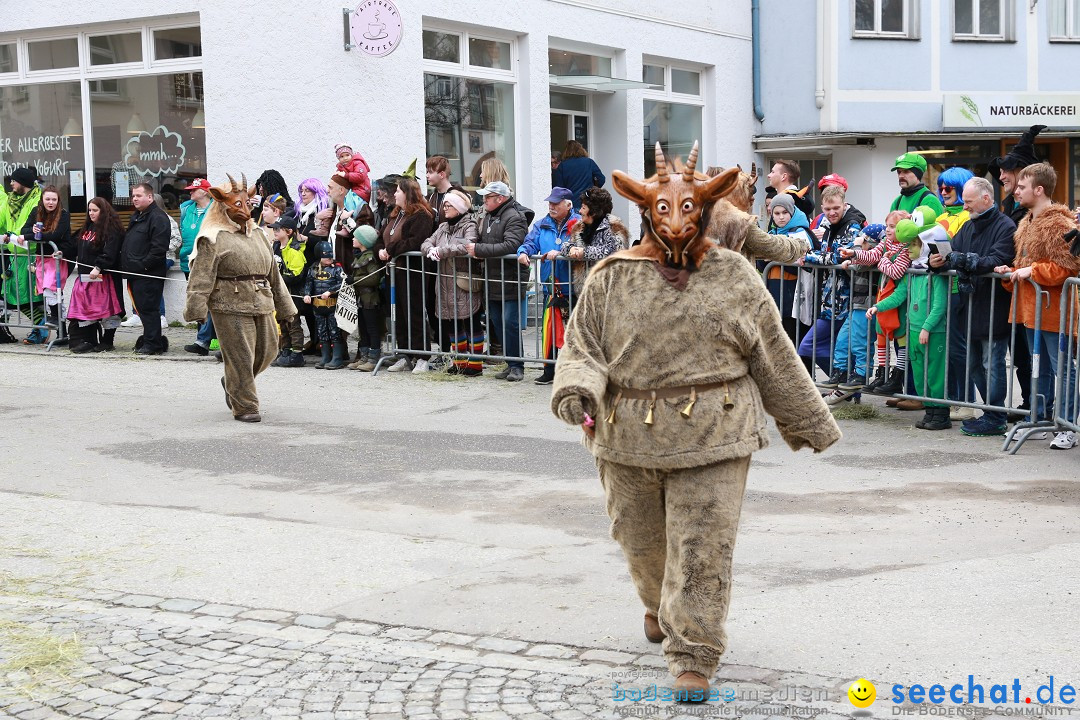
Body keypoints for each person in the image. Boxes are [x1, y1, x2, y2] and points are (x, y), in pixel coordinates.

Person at [551, 142, 841, 700]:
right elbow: (583, 346)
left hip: (716, 431)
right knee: (640, 540)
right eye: (664, 209)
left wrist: (807, 420)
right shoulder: (610, 277)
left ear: (705, 210)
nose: (678, 222)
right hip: (627, 433)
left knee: (703, 545)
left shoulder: (733, 275)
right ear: (645, 210)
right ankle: (660, 603)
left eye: (691, 209)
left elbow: (772, 352)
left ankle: (694, 652)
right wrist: (577, 390)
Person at [184, 174, 297, 422]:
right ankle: (245, 405)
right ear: (222, 205)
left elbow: (274, 274)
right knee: (241, 357)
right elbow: (201, 276)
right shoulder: (212, 237)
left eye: (246, 203)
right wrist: (196, 308)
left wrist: (286, 307)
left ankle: (233, 382)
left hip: (262, 301)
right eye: (237, 204)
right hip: (229, 303)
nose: (245, 209)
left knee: (268, 351)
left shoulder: (257, 234)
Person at [997, 163, 1080, 450]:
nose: (1015, 190)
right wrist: (1010, 273)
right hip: (1031, 310)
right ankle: (1040, 419)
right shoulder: (1025, 223)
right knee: (1038, 368)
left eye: (1022, 186)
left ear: (1039, 189)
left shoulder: (1059, 224)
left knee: (1062, 369)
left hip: (1055, 310)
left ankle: (1068, 425)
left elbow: (1069, 268)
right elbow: (1025, 266)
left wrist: (1033, 271)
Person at [929, 177, 1016, 434]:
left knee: (992, 362)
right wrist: (938, 262)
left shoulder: (1005, 226)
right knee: (975, 363)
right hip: (971, 304)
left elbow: (996, 259)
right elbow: (953, 255)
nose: (964, 207)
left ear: (986, 199)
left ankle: (996, 415)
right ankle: (990, 412)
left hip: (994, 305)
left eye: (968, 202)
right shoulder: (968, 226)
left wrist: (962, 259)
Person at [869, 211, 951, 430]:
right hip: (914, 329)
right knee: (920, 373)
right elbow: (899, 295)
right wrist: (878, 307)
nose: (907, 249)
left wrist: (927, 327)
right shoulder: (912, 272)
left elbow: (939, 305)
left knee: (934, 373)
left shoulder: (936, 275)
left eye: (912, 245)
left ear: (924, 245)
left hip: (931, 331)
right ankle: (930, 411)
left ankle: (941, 413)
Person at [989, 124, 1047, 412]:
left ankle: (1041, 409)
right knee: (1022, 356)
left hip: (1038, 298)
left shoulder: (1042, 214)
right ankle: (1030, 406)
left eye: (1006, 171)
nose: (1000, 176)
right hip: (1015, 293)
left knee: (1039, 359)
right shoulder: (1009, 206)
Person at [842, 213, 912, 399]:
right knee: (881, 335)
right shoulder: (887, 244)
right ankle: (882, 374)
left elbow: (896, 272)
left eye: (892, 227)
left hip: (898, 298)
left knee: (901, 336)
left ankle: (897, 376)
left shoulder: (905, 249)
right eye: (887, 226)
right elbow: (872, 255)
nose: (887, 230)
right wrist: (855, 253)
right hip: (884, 293)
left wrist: (883, 261)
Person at [468, 181, 531, 382]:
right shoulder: (489, 216)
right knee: (496, 322)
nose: (484, 200)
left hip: (510, 278)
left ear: (500, 198)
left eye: (488, 197)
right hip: (493, 277)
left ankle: (517, 365)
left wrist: (478, 250)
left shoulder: (514, 217)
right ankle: (510, 362)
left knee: (510, 323)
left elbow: (511, 245)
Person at [518, 187, 580, 385]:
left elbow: (581, 245)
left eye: (556, 203)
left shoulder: (579, 222)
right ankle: (549, 369)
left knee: (576, 331)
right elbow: (529, 242)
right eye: (550, 203)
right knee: (549, 330)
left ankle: (576, 372)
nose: (551, 206)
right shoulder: (541, 224)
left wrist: (560, 251)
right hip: (550, 287)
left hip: (574, 286)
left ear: (568, 204)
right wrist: (523, 252)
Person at [420, 189, 485, 375]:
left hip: (463, 280)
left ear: (459, 208)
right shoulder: (442, 227)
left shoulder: (469, 225)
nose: (445, 208)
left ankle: (475, 364)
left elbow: (467, 245)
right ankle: (459, 361)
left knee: (471, 321)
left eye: (449, 205)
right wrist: (430, 250)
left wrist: (442, 251)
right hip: (444, 282)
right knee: (452, 323)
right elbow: (426, 242)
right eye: (444, 205)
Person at [810, 185, 867, 393]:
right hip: (831, 295)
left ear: (844, 204)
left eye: (835, 208)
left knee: (816, 344)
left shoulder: (852, 225)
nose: (831, 213)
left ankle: (847, 386)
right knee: (838, 344)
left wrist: (808, 257)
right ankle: (844, 386)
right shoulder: (827, 224)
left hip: (848, 296)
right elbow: (825, 252)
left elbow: (838, 256)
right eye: (827, 209)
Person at [379, 177, 436, 373]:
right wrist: (381, 249)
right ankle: (405, 354)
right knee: (399, 315)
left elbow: (415, 241)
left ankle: (422, 356)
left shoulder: (421, 215)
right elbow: (382, 236)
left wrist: (391, 249)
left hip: (413, 271)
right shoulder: (395, 214)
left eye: (398, 191)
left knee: (414, 312)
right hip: (394, 272)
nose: (394, 194)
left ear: (407, 193)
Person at [68, 197, 124, 353]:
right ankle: (89, 340)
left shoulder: (112, 229)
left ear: (103, 211)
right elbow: (75, 246)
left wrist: (99, 266)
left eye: (95, 210)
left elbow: (110, 252)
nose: (91, 213)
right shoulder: (87, 228)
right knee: (86, 310)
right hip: (86, 277)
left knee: (108, 311)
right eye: (90, 210)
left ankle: (107, 341)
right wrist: (62, 252)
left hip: (104, 278)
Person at [120, 183, 171, 355]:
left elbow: (158, 249)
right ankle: (150, 339)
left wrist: (143, 266)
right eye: (133, 195)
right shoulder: (138, 216)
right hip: (135, 273)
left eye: (139, 195)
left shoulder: (158, 217)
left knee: (149, 309)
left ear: (150, 197)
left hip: (148, 273)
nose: (134, 198)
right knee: (142, 309)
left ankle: (153, 344)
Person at [561, 186, 629, 297]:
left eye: (583, 208)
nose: (580, 211)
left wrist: (584, 252)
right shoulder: (579, 227)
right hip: (585, 291)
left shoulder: (614, 227)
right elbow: (565, 246)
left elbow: (614, 251)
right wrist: (571, 249)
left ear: (593, 212)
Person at [1, 167, 44, 342]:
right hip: (14, 254)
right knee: (11, 295)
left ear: (23, 183)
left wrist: (13, 236)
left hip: (30, 254)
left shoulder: (37, 200)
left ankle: (42, 326)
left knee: (26, 297)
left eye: (14, 181)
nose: (11, 184)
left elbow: (29, 225)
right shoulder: (11, 200)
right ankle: (40, 325)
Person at [179, 179, 218, 356]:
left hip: (207, 262)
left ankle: (204, 341)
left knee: (209, 302)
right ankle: (205, 340)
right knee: (197, 301)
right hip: (189, 260)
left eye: (194, 190)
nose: (190, 193)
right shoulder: (187, 209)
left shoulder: (215, 210)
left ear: (204, 191)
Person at [293, 178, 329, 353]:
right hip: (304, 264)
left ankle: (321, 342)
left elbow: (324, 239)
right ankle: (314, 340)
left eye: (308, 190)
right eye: (302, 190)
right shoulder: (300, 213)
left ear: (317, 192)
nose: (303, 193)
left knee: (318, 306)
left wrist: (306, 239)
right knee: (307, 307)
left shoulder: (320, 213)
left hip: (316, 266)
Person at [269, 214, 307, 368]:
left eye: (278, 229)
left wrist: (278, 279)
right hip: (279, 293)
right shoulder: (276, 247)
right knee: (282, 322)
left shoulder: (295, 250)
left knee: (293, 323)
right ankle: (286, 349)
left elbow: (295, 275)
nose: (275, 231)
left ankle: (297, 352)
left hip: (292, 293)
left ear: (289, 232)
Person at [303, 240, 348, 370]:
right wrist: (307, 294)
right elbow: (309, 283)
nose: (329, 258)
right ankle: (325, 357)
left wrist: (330, 291)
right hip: (318, 307)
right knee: (322, 332)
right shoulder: (313, 268)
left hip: (332, 306)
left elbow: (342, 283)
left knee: (335, 332)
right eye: (326, 256)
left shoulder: (337, 268)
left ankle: (337, 358)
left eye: (330, 256)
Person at [346, 224, 385, 372]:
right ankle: (364, 356)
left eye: (356, 237)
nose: (353, 239)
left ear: (363, 241)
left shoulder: (370, 257)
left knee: (372, 328)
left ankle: (373, 358)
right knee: (362, 328)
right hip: (361, 298)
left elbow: (373, 278)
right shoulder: (360, 256)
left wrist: (354, 281)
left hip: (370, 298)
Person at [551, 141, 605, 210]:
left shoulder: (563, 165)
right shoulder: (589, 162)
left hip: (571, 204)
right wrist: (592, 190)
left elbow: (559, 188)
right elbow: (601, 179)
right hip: (587, 202)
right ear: (581, 149)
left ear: (566, 151)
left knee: (573, 221)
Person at [936, 167, 974, 237]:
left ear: (962, 189)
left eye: (947, 189)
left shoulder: (969, 217)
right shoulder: (941, 217)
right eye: (941, 189)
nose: (943, 193)